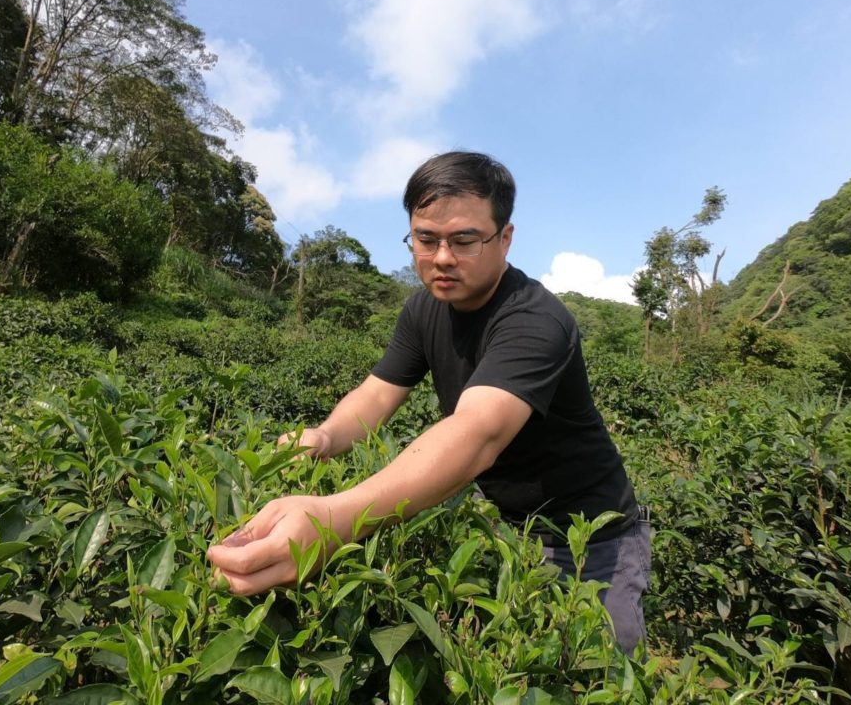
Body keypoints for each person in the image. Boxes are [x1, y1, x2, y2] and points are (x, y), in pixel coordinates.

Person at [207, 151, 651, 655]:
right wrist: (325, 437)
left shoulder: (536, 319)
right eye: (425, 238)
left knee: (596, 668)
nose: (441, 257)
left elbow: (476, 432)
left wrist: (336, 517)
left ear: (504, 238)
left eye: (464, 240)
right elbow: (378, 391)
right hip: (506, 528)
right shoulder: (423, 308)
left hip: (592, 540)